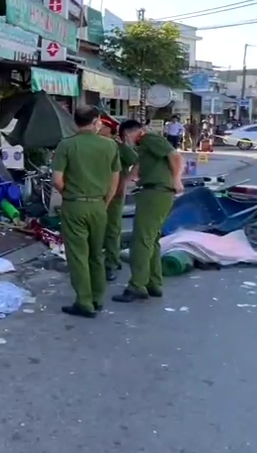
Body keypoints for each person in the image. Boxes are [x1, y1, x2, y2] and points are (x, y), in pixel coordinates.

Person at [52, 106, 121, 318]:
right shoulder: (110, 146)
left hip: (74, 204)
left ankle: (84, 302)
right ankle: (98, 298)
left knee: (78, 255)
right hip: (99, 205)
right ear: (96, 121)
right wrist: (105, 201)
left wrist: (71, 195)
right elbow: (115, 178)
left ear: (75, 122)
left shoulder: (66, 145)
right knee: (96, 254)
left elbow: (57, 180)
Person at [112, 120, 184, 303]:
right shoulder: (144, 147)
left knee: (141, 240)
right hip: (154, 192)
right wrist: (124, 183)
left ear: (128, 133)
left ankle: (137, 285)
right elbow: (138, 167)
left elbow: (175, 156)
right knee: (152, 240)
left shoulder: (149, 138)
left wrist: (176, 179)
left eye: (124, 137)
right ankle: (154, 283)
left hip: (156, 192)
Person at [101, 118, 140, 281]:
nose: (98, 128)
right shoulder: (90, 144)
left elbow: (135, 160)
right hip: (95, 194)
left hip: (115, 194)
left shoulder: (117, 146)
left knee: (111, 230)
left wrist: (127, 180)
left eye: (102, 126)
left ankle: (111, 263)